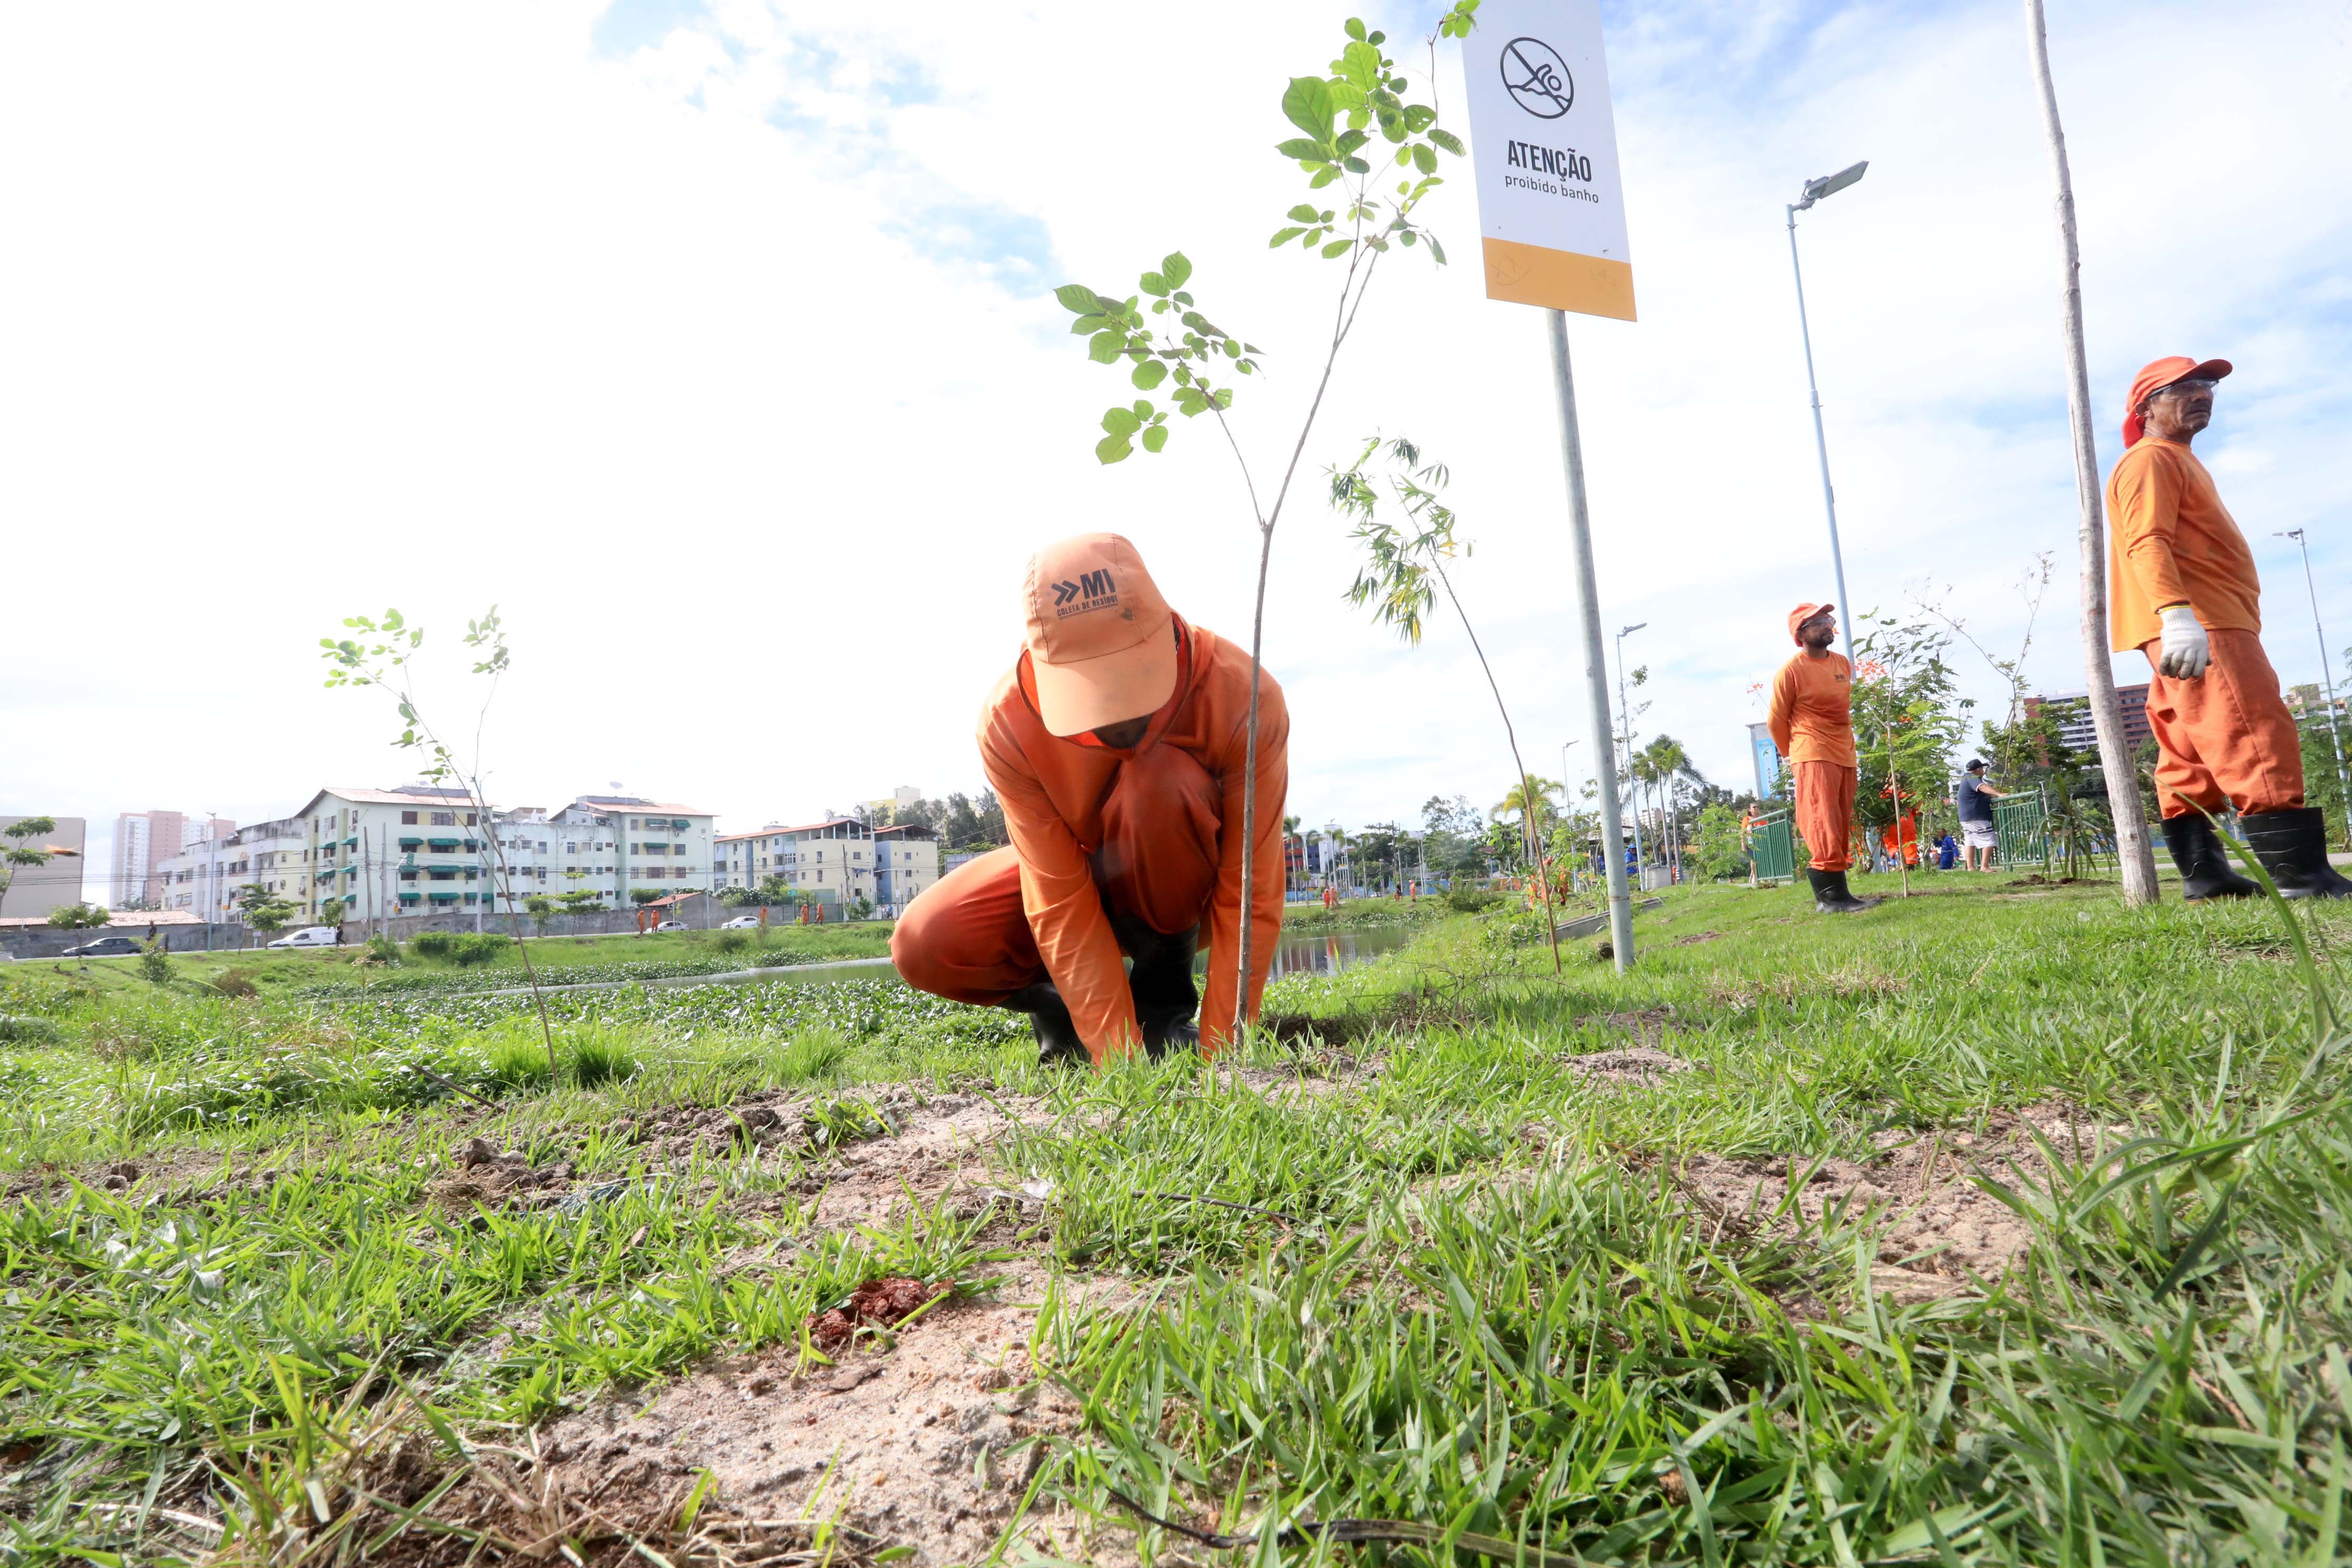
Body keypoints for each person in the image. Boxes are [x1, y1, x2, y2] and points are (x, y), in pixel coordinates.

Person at [891, 533, 1288, 1066]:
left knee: (1156, 780)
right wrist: (1120, 1064)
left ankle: (1162, 1004)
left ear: (1165, 630)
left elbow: (1251, 890)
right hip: (1079, 871)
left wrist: (1224, 1055)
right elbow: (1056, 898)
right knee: (926, 941)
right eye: (1094, 687)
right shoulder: (1008, 724)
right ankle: (1064, 1015)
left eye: (1128, 676)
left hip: (1180, 885)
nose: (1118, 715)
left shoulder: (1244, 697)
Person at [2108, 357, 2348, 899]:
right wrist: (2177, 614)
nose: (2202, 394)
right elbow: (2147, 541)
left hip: (2195, 621)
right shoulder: (2150, 459)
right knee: (2252, 728)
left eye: (2207, 385)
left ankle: (2207, 878)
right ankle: (2300, 877)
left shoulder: (2173, 458)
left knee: (2187, 751)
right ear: (2145, 408)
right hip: (2203, 620)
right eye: (2184, 388)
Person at [1768, 602, 1877, 914]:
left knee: (1840, 819)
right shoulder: (1791, 672)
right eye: (1815, 623)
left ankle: (1842, 896)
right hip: (1812, 751)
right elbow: (1777, 720)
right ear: (1800, 635)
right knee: (1822, 818)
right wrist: (1794, 755)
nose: (1826, 625)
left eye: (1827, 620)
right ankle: (1829, 901)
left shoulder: (1842, 662)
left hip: (1844, 750)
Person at [1951, 759, 2008, 872]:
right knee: (1989, 840)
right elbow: (1982, 787)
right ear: (1978, 770)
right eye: (1982, 769)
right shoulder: (1972, 778)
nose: (1983, 771)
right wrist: (1999, 794)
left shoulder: (1965, 779)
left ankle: (1971, 868)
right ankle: (1984, 867)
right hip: (1975, 817)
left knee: (1970, 841)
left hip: (1966, 817)